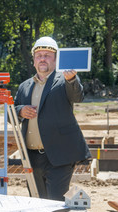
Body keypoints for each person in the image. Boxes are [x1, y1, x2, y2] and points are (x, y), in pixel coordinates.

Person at [14, 36, 91, 201]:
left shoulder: (63, 81)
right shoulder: (24, 86)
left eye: (47, 55)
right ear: (34, 61)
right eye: (39, 55)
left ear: (56, 60)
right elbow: (11, 113)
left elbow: (78, 96)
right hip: (32, 157)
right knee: (36, 201)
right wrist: (20, 111)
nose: (42, 58)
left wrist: (72, 79)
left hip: (58, 155)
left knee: (55, 202)